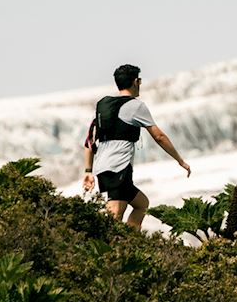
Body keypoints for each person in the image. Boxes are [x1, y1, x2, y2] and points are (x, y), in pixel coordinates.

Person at [81, 64, 192, 228]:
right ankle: (106, 247)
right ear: (135, 81)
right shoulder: (136, 106)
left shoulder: (102, 105)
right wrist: (180, 160)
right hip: (118, 167)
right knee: (115, 215)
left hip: (103, 167)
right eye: (139, 80)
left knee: (141, 204)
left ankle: (130, 243)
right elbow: (159, 136)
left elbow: (89, 141)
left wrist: (88, 171)